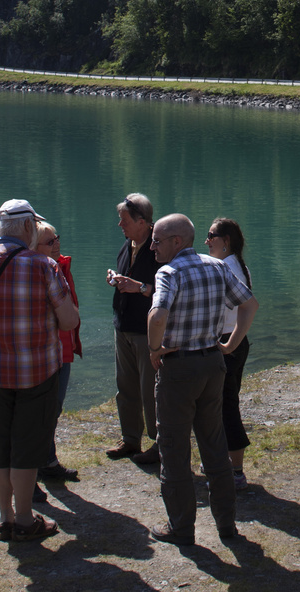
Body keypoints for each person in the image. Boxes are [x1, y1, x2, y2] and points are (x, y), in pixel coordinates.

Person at [0, 200, 79, 542]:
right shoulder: (44, 267)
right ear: (28, 229)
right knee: (26, 445)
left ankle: (5, 517)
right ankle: (25, 520)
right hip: (36, 372)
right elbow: (69, 320)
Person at [146, 214, 258, 545]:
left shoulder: (168, 272)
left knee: (174, 447)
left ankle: (181, 528)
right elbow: (249, 306)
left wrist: (155, 349)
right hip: (212, 363)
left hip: (179, 369)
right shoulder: (218, 266)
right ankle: (227, 526)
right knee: (213, 444)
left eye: (157, 240)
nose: (152, 246)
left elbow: (158, 314)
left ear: (176, 241)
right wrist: (230, 345)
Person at [104, 193, 162, 464]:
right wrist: (115, 279)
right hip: (123, 326)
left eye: (124, 220)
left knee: (152, 389)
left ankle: (160, 442)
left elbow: (168, 290)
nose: (120, 225)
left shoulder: (158, 249)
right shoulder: (128, 245)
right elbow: (127, 278)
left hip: (146, 330)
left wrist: (139, 288)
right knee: (125, 387)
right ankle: (130, 439)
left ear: (142, 222)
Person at [203, 217, 254, 489]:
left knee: (225, 407)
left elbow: (247, 307)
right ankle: (222, 460)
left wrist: (228, 346)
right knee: (222, 405)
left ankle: (236, 472)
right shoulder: (236, 266)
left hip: (228, 342)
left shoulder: (227, 269)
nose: (206, 241)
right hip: (237, 341)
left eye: (212, 236)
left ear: (226, 241)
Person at [34, 221, 82, 483]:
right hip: (45, 352)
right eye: (50, 241)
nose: (57, 244)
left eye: (57, 238)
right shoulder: (37, 271)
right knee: (43, 409)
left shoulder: (60, 266)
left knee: (54, 407)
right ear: (34, 246)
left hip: (63, 349)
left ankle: (46, 459)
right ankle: (41, 463)